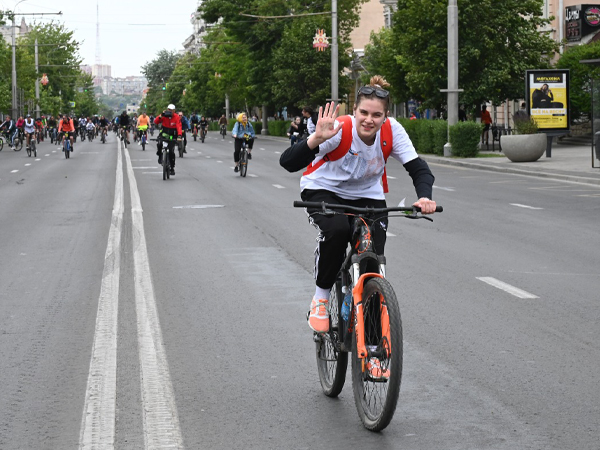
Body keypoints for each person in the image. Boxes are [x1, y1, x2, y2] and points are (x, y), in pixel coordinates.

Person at [279, 75, 436, 334]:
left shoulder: (392, 131)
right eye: (363, 112)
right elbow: (288, 163)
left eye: (376, 115)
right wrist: (315, 138)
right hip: (324, 190)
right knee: (338, 231)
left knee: (373, 264)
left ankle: (374, 346)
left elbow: (419, 169)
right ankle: (320, 298)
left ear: (385, 116)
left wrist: (425, 196)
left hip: (367, 195)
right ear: (355, 111)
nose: (369, 120)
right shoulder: (339, 129)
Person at [153, 103, 182, 176]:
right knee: (159, 144)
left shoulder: (176, 117)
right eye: (169, 110)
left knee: (171, 151)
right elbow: (156, 122)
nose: (170, 112)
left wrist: (179, 136)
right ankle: (160, 156)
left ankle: (172, 167)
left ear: (174, 111)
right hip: (164, 134)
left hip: (172, 135)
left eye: (171, 110)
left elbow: (179, 126)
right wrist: (161, 116)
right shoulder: (164, 115)